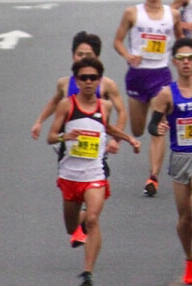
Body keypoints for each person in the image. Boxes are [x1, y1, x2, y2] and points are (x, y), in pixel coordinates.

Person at [47, 57, 141, 286]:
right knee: (72, 228)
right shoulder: (67, 106)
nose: (88, 82)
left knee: (92, 219)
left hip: (94, 174)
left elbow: (106, 127)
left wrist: (129, 139)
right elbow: (50, 137)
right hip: (70, 175)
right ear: (76, 81)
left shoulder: (104, 106)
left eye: (93, 78)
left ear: (99, 81)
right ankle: (79, 225)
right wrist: (64, 137)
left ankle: (87, 272)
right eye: (83, 78)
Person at [147, 38, 192, 283]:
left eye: (191, 58)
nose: (186, 63)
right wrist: (159, 127)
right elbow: (152, 126)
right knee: (183, 219)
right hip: (180, 159)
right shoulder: (166, 94)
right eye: (181, 58)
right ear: (174, 62)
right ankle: (190, 259)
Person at [112, 0, 182, 196]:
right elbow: (117, 41)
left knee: (157, 128)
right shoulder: (132, 13)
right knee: (139, 129)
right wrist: (128, 55)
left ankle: (153, 177)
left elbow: (181, 43)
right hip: (137, 76)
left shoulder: (173, 15)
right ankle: (152, 170)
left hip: (161, 75)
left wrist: (180, 59)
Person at [30, 32, 127, 180]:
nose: (83, 58)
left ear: (97, 57)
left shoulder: (107, 84)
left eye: (88, 55)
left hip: (94, 141)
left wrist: (116, 139)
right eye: (79, 54)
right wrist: (39, 121)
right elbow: (54, 102)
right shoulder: (64, 83)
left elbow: (122, 112)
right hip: (69, 143)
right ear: (73, 56)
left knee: (96, 181)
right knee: (72, 182)